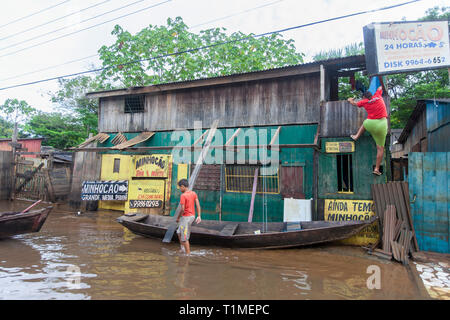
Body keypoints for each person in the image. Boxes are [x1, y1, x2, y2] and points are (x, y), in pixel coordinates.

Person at [347, 86, 388, 176]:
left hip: (370, 124)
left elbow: (353, 103)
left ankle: (356, 136)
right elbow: (380, 88)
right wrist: (380, 86)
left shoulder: (364, 102)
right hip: (382, 124)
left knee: (365, 122)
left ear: (364, 97)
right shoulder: (378, 95)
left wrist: (350, 99)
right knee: (380, 149)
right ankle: (376, 169)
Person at [175, 179, 201, 255]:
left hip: (186, 218)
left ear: (183, 186)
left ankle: (188, 254)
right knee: (179, 232)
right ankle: (182, 249)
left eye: (180, 187)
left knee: (185, 238)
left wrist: (178, 218)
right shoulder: (193, 193)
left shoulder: (183, 196)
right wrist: (199, 216)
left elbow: (182, 209)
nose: (180, 189)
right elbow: (198, 205)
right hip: (192, 216)